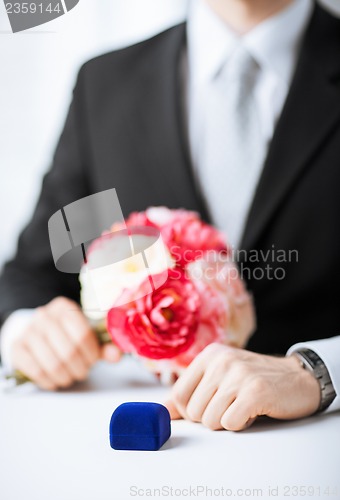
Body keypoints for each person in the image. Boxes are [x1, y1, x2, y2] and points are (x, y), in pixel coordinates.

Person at [0, 0, 339, 431]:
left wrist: (319, 371)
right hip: (138, 442)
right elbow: (30, 274)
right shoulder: (103, 85)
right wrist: (28, 331)